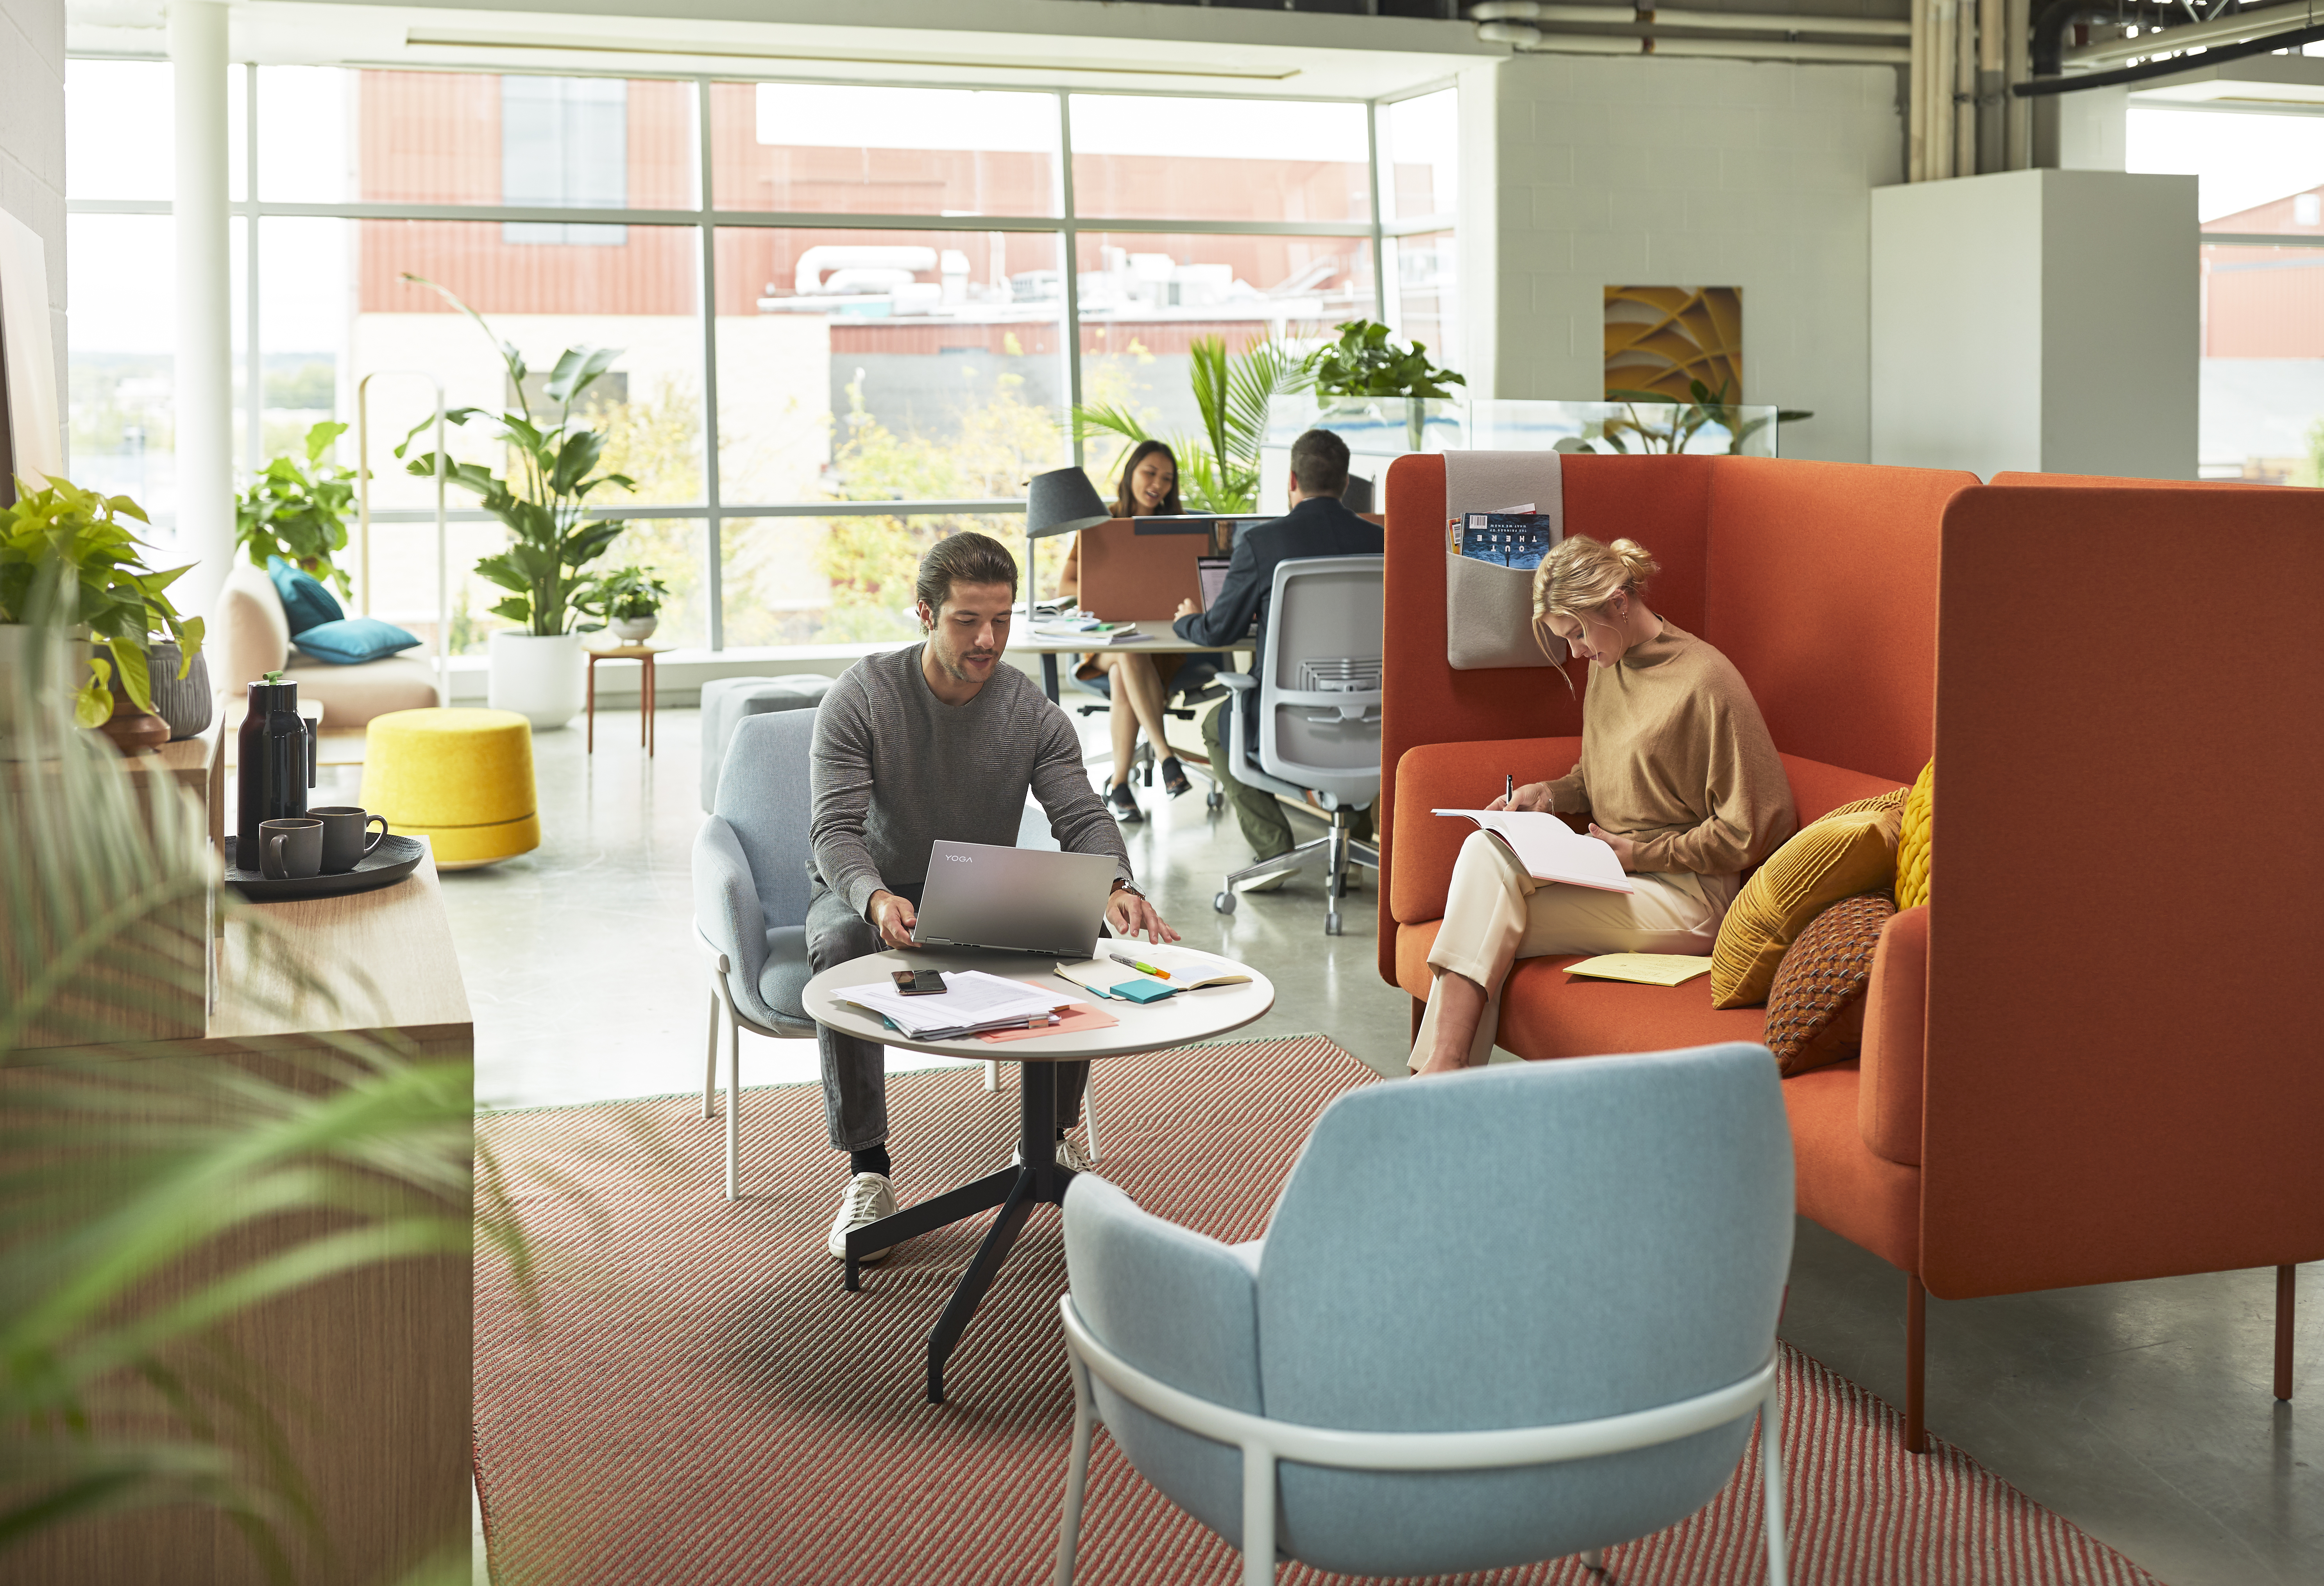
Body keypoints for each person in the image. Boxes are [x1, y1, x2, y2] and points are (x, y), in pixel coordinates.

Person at [807, 530, 1179, 1262]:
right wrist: (877, 898)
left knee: (1081, 922)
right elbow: (833, 831)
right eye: (967, 620)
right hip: (872, 889)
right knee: (837, 944)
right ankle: (869, 1172)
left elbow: (1081, 815)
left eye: (1001, 620)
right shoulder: (863, 695)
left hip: (975, 886)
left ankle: (1047, 1142)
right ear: (923, 612)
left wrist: (1114, 885)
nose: (987, 639)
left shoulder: (1030, 711)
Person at [1407, 535, 1796, 1077]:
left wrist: (1638, 854)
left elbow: (1753, 829)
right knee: (1483, 853)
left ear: (1618, 600)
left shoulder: (1705, 681)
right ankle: (1441, 1081)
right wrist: (1546, 795)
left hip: (1688, 899)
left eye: (1578, 633)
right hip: (1612, 874)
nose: (1576, 651)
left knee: (1479, 924)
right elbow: (1599, 776)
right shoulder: (1605, 663)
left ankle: (1435, 1083)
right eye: (1565, 638)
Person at [1171, 427, 1382, 886]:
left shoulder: (1262, 543)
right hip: (1374, 721)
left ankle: (1275, 851)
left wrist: (1185, 619)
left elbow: (1218, 630)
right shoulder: (1383, 542)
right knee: (1361, 741)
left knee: (1215, 725)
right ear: (1346, 483)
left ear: (1291, 479)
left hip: (1289, 722)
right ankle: (1354, 848)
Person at [1051, 440, 1220, 820]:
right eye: (1149, 472)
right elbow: (1064, 587)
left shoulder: (1180, 527)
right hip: (1109, 641)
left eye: (1166, 478)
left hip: (1164, 646)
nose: (1157, 484)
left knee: (1125, 671)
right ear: (1131, 474)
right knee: (1127, 651)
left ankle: (1120, 784)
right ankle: (1165, 755)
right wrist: (1103, 590)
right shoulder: (1099, 524)